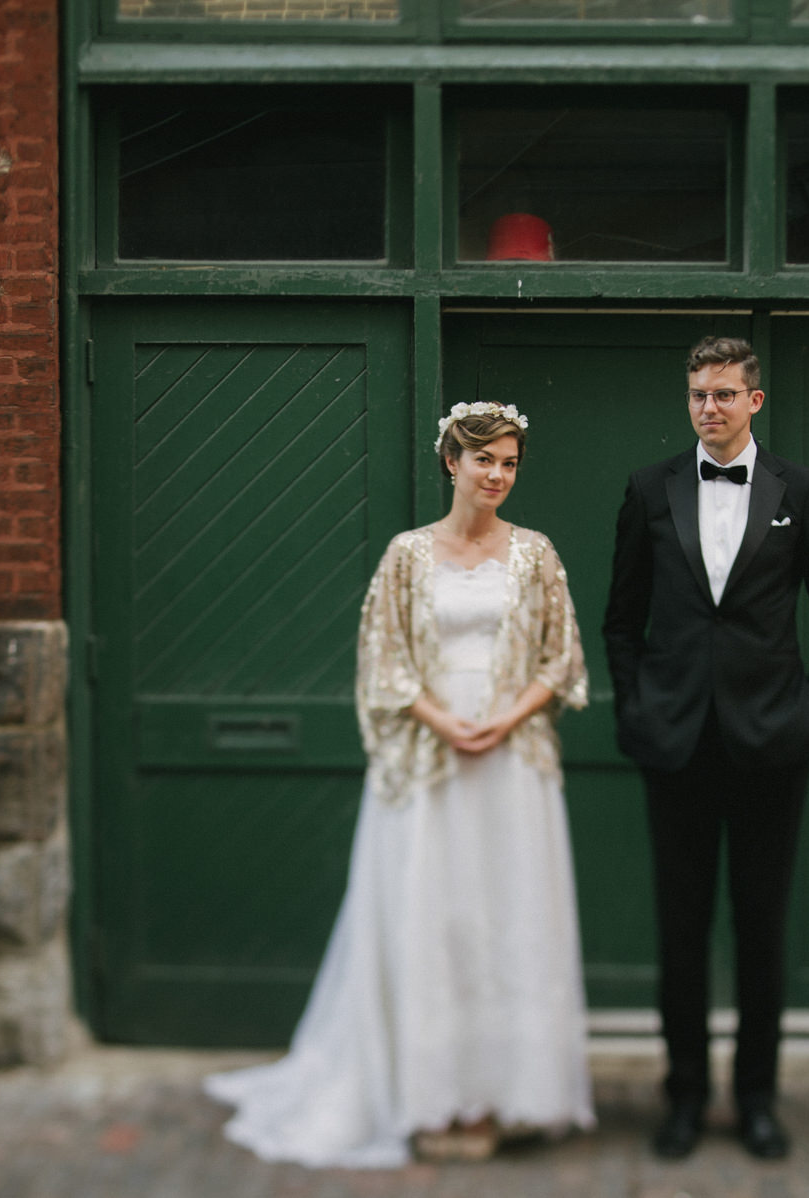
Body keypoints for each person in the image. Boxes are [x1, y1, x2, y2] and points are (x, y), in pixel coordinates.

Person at [206, 401, 594, 1167]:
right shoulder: (407, 556)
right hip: (432, 763)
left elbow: (562, 659)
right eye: (486, 459)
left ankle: (501, 1093)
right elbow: (381, 660)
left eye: (510, 463)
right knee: (435, 920)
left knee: (507, 919)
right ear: (452, 461)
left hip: (512, 766)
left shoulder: (537, 554)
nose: (498, 475)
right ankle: (430, 1095)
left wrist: (507, 719)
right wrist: (445, 722)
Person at [602, 336, 809, 1162]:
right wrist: (636, 708)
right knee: (681, 932)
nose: (708, 407)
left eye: (723, 394)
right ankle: (682, 1098)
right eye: (696, 394)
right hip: (674, 745)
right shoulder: (649, 490)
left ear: (754, 400)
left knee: (760, 929)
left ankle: (755, 1100)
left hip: (770, 746)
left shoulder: (803, 491)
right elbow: (620, 620)